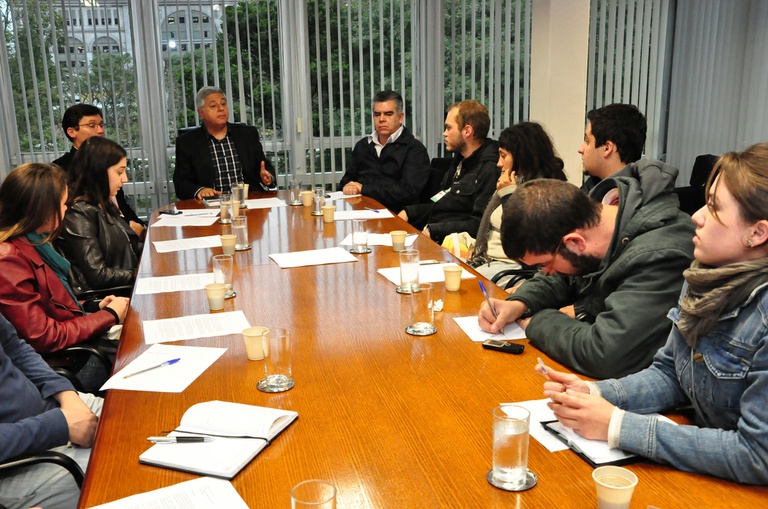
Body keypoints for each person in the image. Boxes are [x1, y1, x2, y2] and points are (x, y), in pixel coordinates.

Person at [538, 143, 768, 484]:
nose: (697, 217)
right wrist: (597, 395)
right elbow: (671, 374)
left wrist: (618, 426)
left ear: (758, 232)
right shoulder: (704, 276)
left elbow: (756, 455)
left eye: (714, 208)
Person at [478, 164, 695, 379]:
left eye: (544, 264)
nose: (547, 272)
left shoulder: (660, 256)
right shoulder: (595, 221)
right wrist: (519, 303)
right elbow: (568, 278)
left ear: (574, 242)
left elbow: (606, 354)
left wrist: (536, 322)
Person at [0, 163, 127, 387]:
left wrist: (93, 306)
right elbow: (44, 336)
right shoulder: (8, 259)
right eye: (62, 203)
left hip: (73, 346)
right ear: (43, 211)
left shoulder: (33, 242)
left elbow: (52, 302)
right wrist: (109, 315)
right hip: (65, 365)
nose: (67, 208)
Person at [0, 312, 102, 509]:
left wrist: (66, 395)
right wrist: (58, 426)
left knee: (135, 419)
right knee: (121, 463)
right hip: (14, 462)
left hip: (53, 410)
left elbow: (14, 347)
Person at [466, 122, 567, 285]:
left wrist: (508, 195)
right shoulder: (515, 180)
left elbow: (523, 235)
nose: (499, 163)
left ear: (522, 156)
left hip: (514, 268)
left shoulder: (544, 190)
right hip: (490, 261)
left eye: (503, 155)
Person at [398, 100, 499, 244]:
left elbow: (480, 224)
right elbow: (442, 203)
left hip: (460, 248)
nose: (444, 133)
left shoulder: (490, 167)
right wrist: (409, 212)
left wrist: (435, 231)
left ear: (467, 131)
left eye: (448, 128)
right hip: (440, 239)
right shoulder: (460, 160)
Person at [57, 137, 141, 297]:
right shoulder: (78, 212)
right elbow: (98, 275)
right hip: (108, 297)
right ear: (99, 171)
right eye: (119, 172)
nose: (125, 179)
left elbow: (128, 245)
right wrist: (141, 274)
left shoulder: (104, 202)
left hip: (128, 287)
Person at [52, 103, 146, 238]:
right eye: (92, 126)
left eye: (101, 125)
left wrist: (140, 226)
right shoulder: (61, 169)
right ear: (72, 131)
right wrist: (128, 228)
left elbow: (120, 205)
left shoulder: (108, 160)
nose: (100, 130)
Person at [173, 86, 276, 200]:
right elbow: (181, 183)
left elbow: (263, 166)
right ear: (201, 112)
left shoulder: (247, 134)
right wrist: (200, 190)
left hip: (247, 202)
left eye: (223, 104)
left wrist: (268, 176)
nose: (221, 108)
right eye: (213, 106)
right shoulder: (187, 142)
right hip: (211, 206)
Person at [339, 90, 431, 213]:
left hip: (396, 218)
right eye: (377, 114)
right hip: (361, 215)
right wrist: (348, 186)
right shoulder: (363, 146)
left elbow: (406, 193)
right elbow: (347, 179)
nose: (381, 119)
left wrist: (363, 189)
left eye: (388, 114)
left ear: (400, 117)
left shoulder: (415, 150)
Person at [579, 103, 646, 194]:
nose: (580, 149)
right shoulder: (591, 188)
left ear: (607, 148)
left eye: (587, 141)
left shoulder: (634, 202)